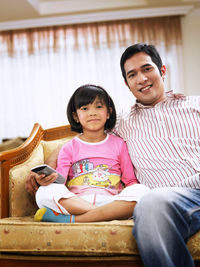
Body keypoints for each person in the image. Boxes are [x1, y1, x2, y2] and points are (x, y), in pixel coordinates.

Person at [25, 43, 200, 267]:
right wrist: (44, 170)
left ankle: (74, 220)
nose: (142, 79)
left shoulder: (196, 105)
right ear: (127, 84)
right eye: (132, 74)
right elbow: (82, 141)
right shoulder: (122, 122)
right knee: (149, 203)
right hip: (165, 200)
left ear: (162, 70)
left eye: (147, 69)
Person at [33, 84, 149, 223]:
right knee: (44, 192)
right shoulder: (69, 147)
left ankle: (70, 220)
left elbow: (130, 181)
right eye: (85, 108)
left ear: (108, 113)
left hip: (111, 200)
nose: (92, 112)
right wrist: (46, 180)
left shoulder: (119, 144)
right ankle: (103, 215)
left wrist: (132, 194)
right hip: (77, 203)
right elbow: (60, 182)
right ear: (76, 116)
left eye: (99, 107)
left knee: (142, 191)